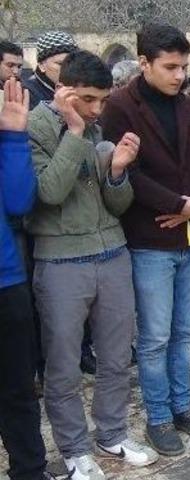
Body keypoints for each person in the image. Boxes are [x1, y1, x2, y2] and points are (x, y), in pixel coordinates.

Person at [27, 50, 159, 479]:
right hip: (61, 259)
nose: (97, 109)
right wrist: (74, 132)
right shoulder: (34, 126)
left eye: (103, 100)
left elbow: (116, 205)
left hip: (112, 252)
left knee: (117, 355)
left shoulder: (98, 126)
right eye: (87, 99)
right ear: (63, 90)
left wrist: (118, 172)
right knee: (63, 363)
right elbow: (48, 192)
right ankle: (73, 448)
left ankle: (112, 432)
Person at [100, 24, 190, 457]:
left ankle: (183, 406)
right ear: (144, 62)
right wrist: (179, 204)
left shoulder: (187, 106)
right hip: (150, 240)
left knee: (185, 332)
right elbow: (125, 172)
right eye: (170, 67)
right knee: (154, 338)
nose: (179, 75)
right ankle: (159, 417)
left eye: (183, 66)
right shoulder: (120, 106)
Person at [0, 77, 54, 480]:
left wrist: (14, 137)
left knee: (18, 389)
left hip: (5, 281)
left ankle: (30, 472)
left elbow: (19, 201)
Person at [23, 31, 77, 110]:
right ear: (41, 65)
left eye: (73, 63)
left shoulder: (79, 87)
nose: (69, 68)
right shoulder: (27, 93)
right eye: (61, 64)